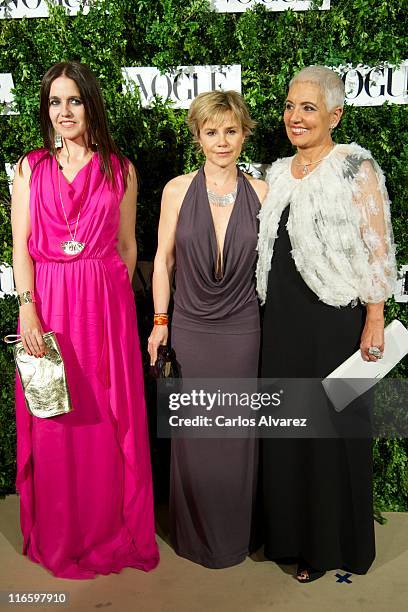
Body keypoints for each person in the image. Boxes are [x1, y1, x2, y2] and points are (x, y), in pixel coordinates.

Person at [11, 61, 159, 579]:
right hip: (49, 303)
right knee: (55, 419)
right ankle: (60, 530)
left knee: (104, 415)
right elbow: (19, 250)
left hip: (105, 306)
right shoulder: (30, 168)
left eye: (74, 100)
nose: (64, 112)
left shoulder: (121, 170)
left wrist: (123, 314)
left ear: (91, 103)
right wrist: (27, 306)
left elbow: (125, 246)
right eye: (55, 102)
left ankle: (106, 529)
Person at [257, 65, 397, 582]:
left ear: (335, 114)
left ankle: (329, 546)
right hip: (283, 321)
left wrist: (375, 317)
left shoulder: (355, 165)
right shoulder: (276, 172)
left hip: (336, 320)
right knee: (289, 429)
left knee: (332, 435)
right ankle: (289, 536)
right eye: (290, 106)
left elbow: (378, 247)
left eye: (308, 108)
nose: (295, 117)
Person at [148, 90, 268, 568]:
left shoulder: (263, 192)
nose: (223, 142)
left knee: (236, 437)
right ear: (198, 136)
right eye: (212, 132)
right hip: (191, 330)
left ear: (244, 134)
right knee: (195, 437)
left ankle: (236, 534)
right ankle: (195, 535)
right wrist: (160, 323)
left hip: (243, 330)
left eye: (232, 131)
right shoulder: (177, 190)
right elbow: (162, 260)